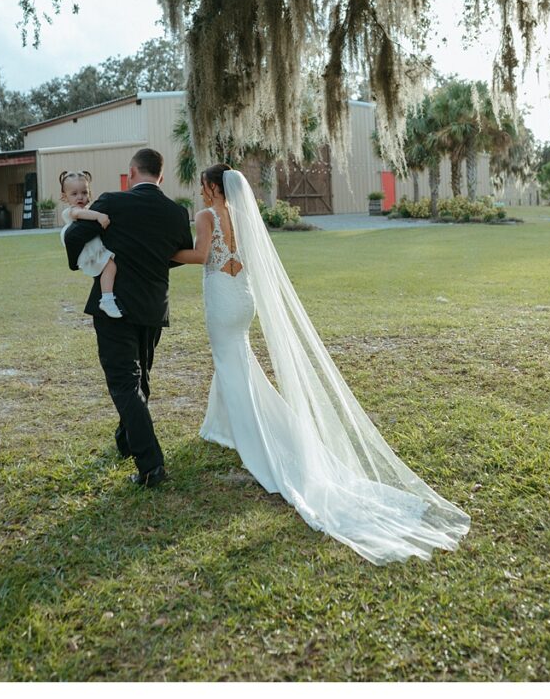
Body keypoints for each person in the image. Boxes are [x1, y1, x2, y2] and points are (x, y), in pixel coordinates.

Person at [172, 163, 471, 565]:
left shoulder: (206, 215)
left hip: (222, 298)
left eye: (204, 185)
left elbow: (203, 254)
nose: (202, 191)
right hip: (244, 298)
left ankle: (251, 436)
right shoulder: (244, 215)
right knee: (235, 360)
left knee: (230, 362)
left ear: (212, 186)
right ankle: (217, 426)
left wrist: (166, 253)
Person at [64, 148, 193, 487]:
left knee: (124, 382)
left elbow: (75, 237)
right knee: (140, 379)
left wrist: (94, 256)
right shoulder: (177, 212)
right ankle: (126, 440)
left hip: (115, 307)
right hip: (153, 307)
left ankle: (151, 466)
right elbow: (177, 253)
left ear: (132, 172)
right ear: (161, 177)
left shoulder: (111, 202)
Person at [59, 170, 123, 318]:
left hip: (92, 247)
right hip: (86, 250)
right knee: (111, 266)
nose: (80, 197)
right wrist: (99, 215)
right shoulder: (71, 211)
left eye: (84, 192)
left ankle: (107, 296)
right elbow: (79, 214)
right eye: (74, 194)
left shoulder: (88, 209)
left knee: (109, 267)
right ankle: (107, 299)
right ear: (65, 197)